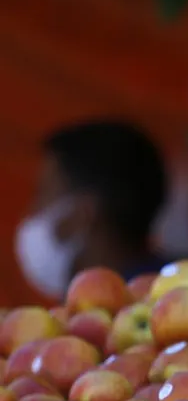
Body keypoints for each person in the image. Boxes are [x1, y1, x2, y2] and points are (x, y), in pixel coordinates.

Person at [16, 120, 169, 299]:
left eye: (42, 194)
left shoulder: (147, 307)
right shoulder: (181, 291)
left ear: (82, 216)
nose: (32, 212)